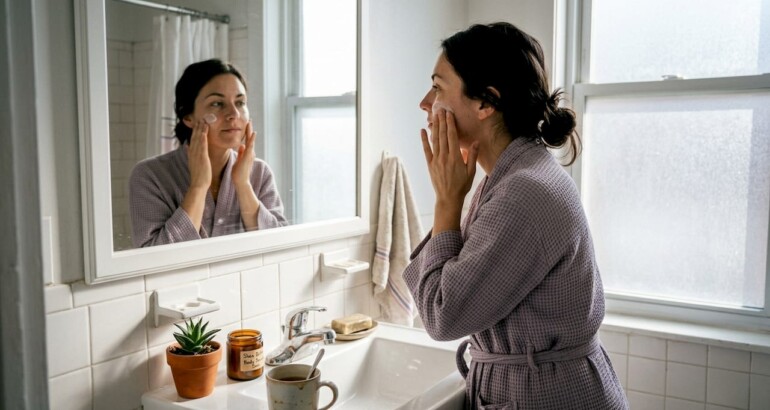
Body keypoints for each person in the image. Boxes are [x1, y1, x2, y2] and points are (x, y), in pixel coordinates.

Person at [402, 23, 628, 409]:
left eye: (438, 87)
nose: (425, 102)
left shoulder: (523, 193)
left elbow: (443, 316)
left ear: (486, 102)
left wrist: (446, 203)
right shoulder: (513, 176)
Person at [129, 59, 287, 248]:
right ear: (188, 116)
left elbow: (279, 249)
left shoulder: (260, 173)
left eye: (240, 102)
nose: (234, 114)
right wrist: (198, 186)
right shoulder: (150, 176)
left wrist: (243, 185)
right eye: (217, 104)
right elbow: (154, 259)